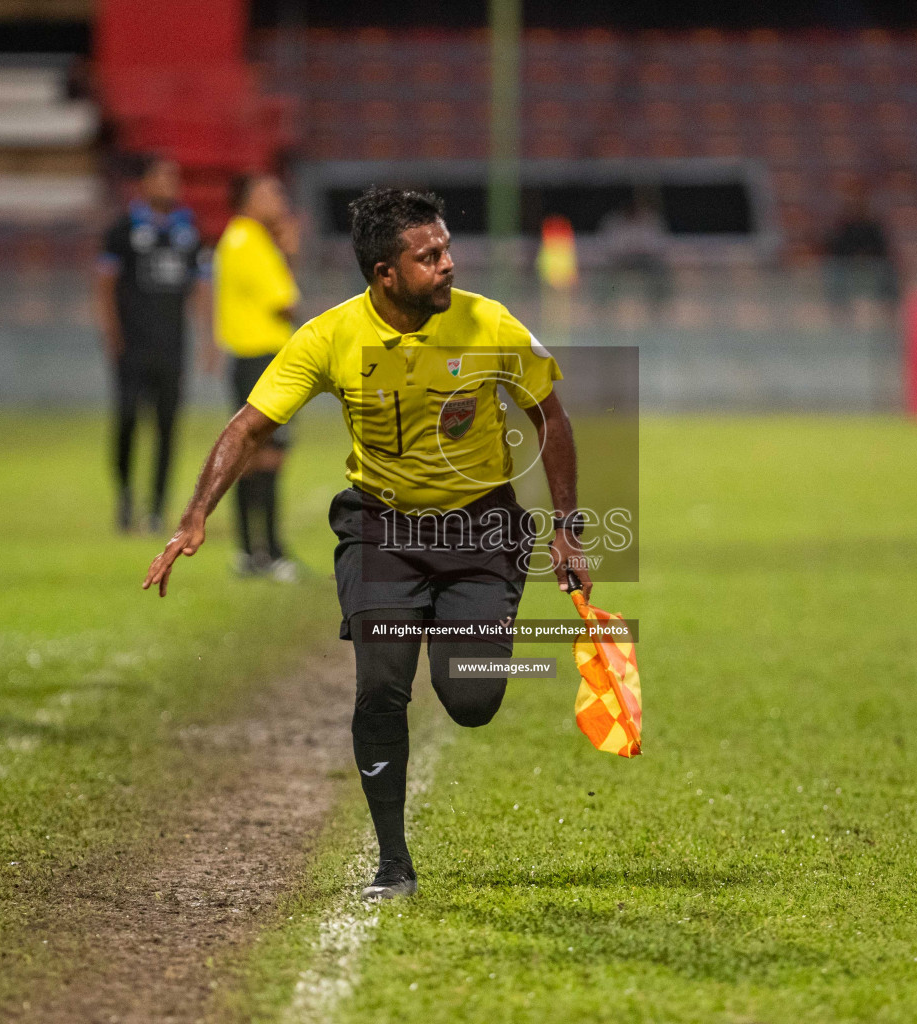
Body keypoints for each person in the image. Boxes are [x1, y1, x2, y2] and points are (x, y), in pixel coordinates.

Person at [143, 187, 591, 900]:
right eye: (430, 256)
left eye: (446, 248)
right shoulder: (329, 337)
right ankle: (393, 863)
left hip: (481, 531)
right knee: (380, 686)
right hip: (382, 530)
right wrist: (195, 515)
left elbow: (551, 418)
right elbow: (248, 426)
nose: (449, 264)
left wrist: (569, 527)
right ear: (385, 273)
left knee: (470, 698)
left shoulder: (489, 323)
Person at [95, 155, 206, 534]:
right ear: (143, 184)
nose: (170, 184)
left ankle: (157, 509)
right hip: (132, 347)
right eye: (162, 177)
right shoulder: (122, 230)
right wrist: (112, 334)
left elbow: (200, 287)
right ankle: (125, 496)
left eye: (173, 177)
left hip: (172, 347)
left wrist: (208, 337)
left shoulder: (188, 229)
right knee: (126, 420)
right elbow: (106, 286)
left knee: (167, 428)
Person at [212, 174, 301, 581]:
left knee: (257, 457)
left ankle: (254, 552)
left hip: (258, 357)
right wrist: (288, 253)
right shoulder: (248, 240)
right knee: (265, 457)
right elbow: (284, 303)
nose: (279, 199)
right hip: (258, 357)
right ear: (248, 199)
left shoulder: (246, 238)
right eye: (270, 192)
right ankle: (265, 552)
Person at [822, 181, 899, 317]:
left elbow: (882, 248)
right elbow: (837, 248)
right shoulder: (843, 225)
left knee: (889, 269)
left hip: (872, 263)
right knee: (834, 270)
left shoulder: (873, 225)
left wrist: (866, 255)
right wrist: (854, 257)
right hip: (847, 263)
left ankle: (888, 306)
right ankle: (840, 307)